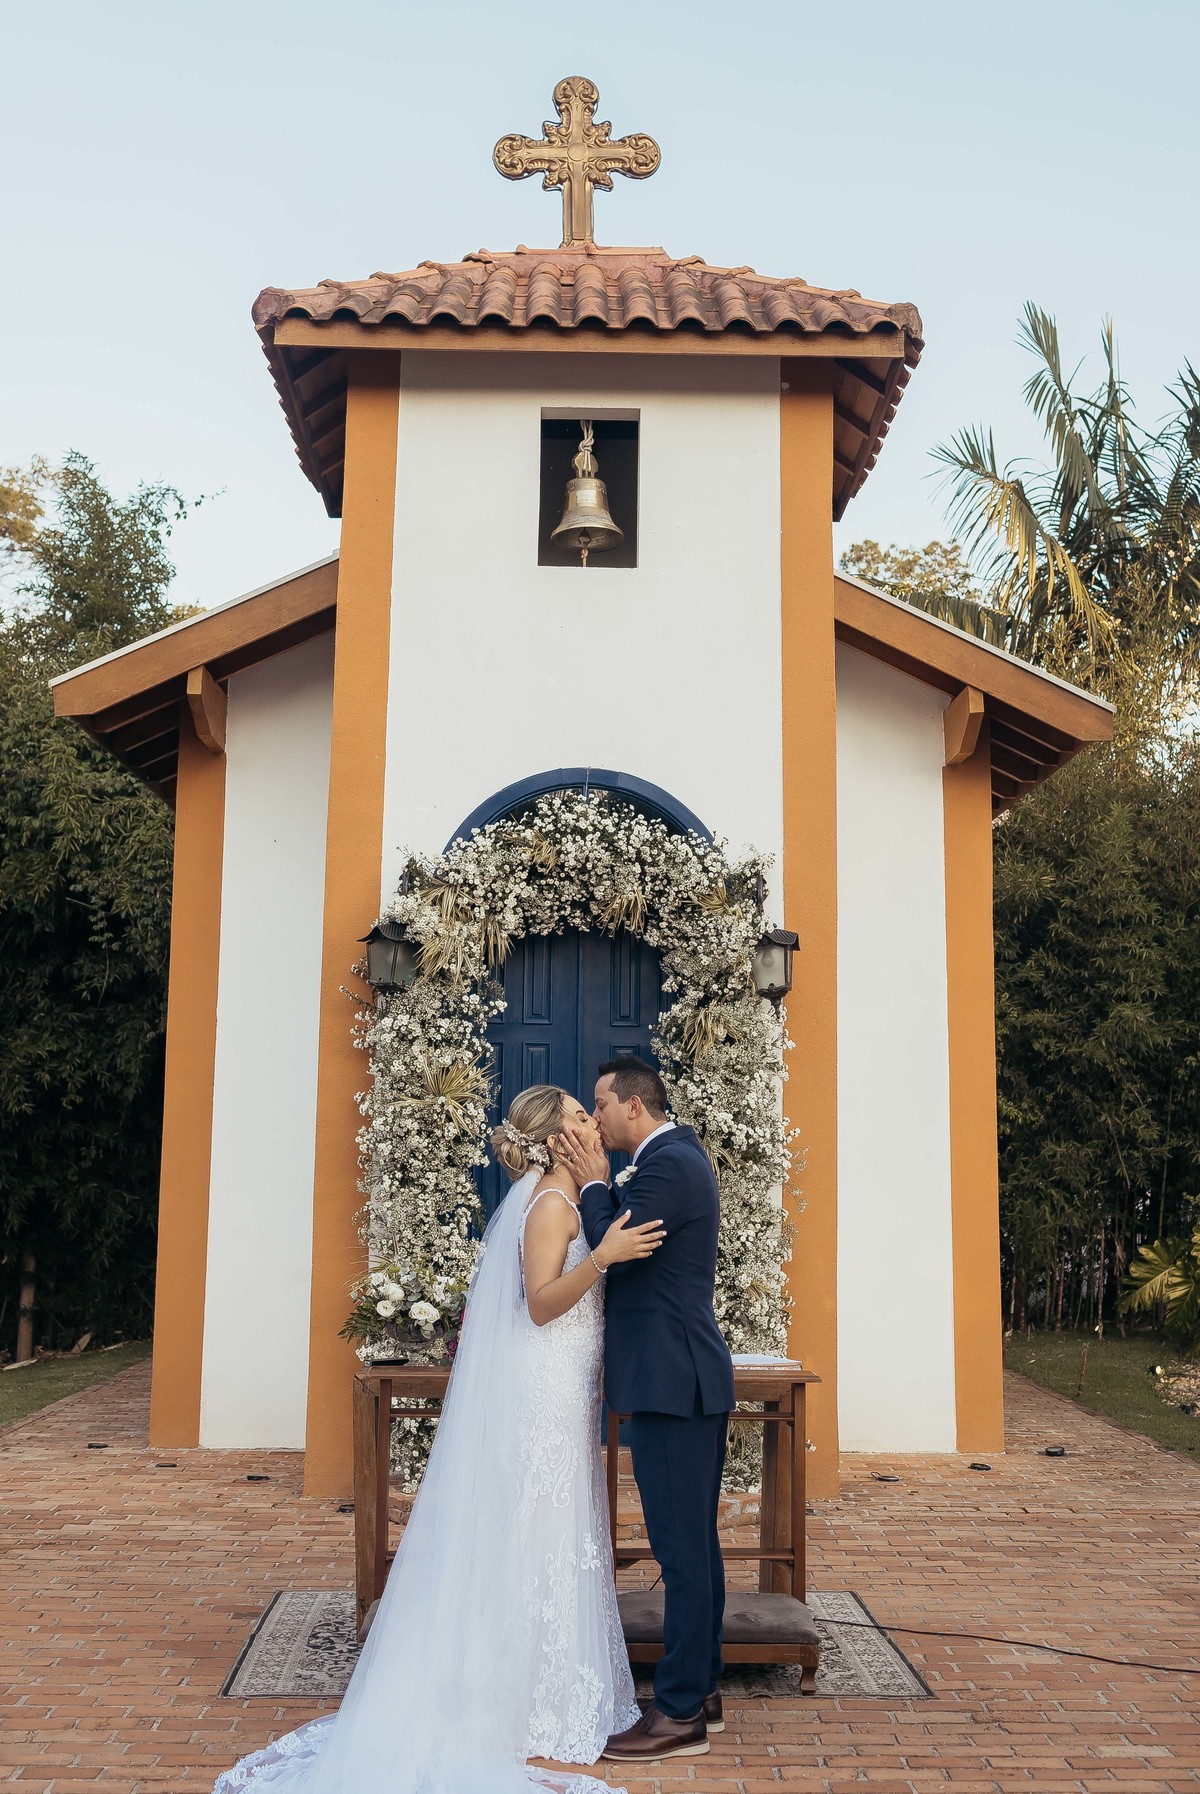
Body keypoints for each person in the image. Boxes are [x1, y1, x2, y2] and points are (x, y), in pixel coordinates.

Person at [212, 1086, 665, 1794]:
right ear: (553, 1140)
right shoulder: (550, 1205)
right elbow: (543, 1306)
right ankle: (515, 1705)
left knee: (555, 1531)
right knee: (534, 1532)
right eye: (579, 1117)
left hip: (566, 1388)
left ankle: (549, 1694)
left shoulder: (574, 1201)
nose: (592, 1123)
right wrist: (602, 1257)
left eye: (590, 1113)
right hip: (542, 1384)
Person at [557, 1059, 735, 1764]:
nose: (594, 1118)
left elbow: (620, 1251)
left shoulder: (670, 1167)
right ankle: (704, 1690)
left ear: (633, 1105)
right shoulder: (671, 1159)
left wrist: (596, 1181)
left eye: (600, 1103)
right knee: (695, 1545)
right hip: (679, 1377)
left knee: (681, 1551)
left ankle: (682, 1711)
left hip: (672, 1381)